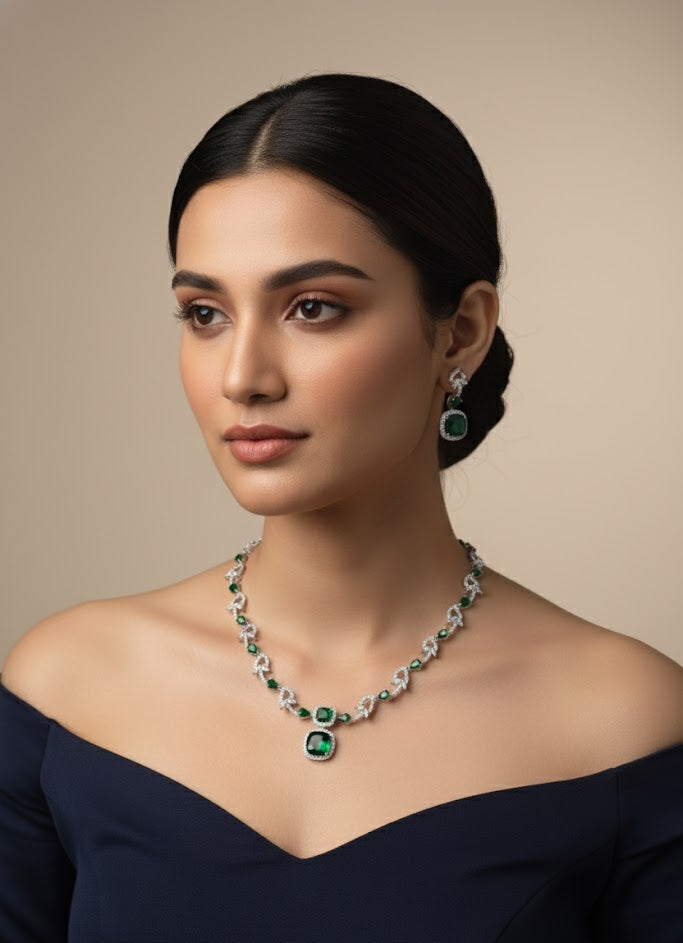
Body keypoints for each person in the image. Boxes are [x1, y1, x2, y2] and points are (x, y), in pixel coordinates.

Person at [1, 72, 682, 942]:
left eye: (312, 307)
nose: (243, 375)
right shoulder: (67, 689)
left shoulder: (620, 722)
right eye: (204, 313)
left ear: (460, 332)